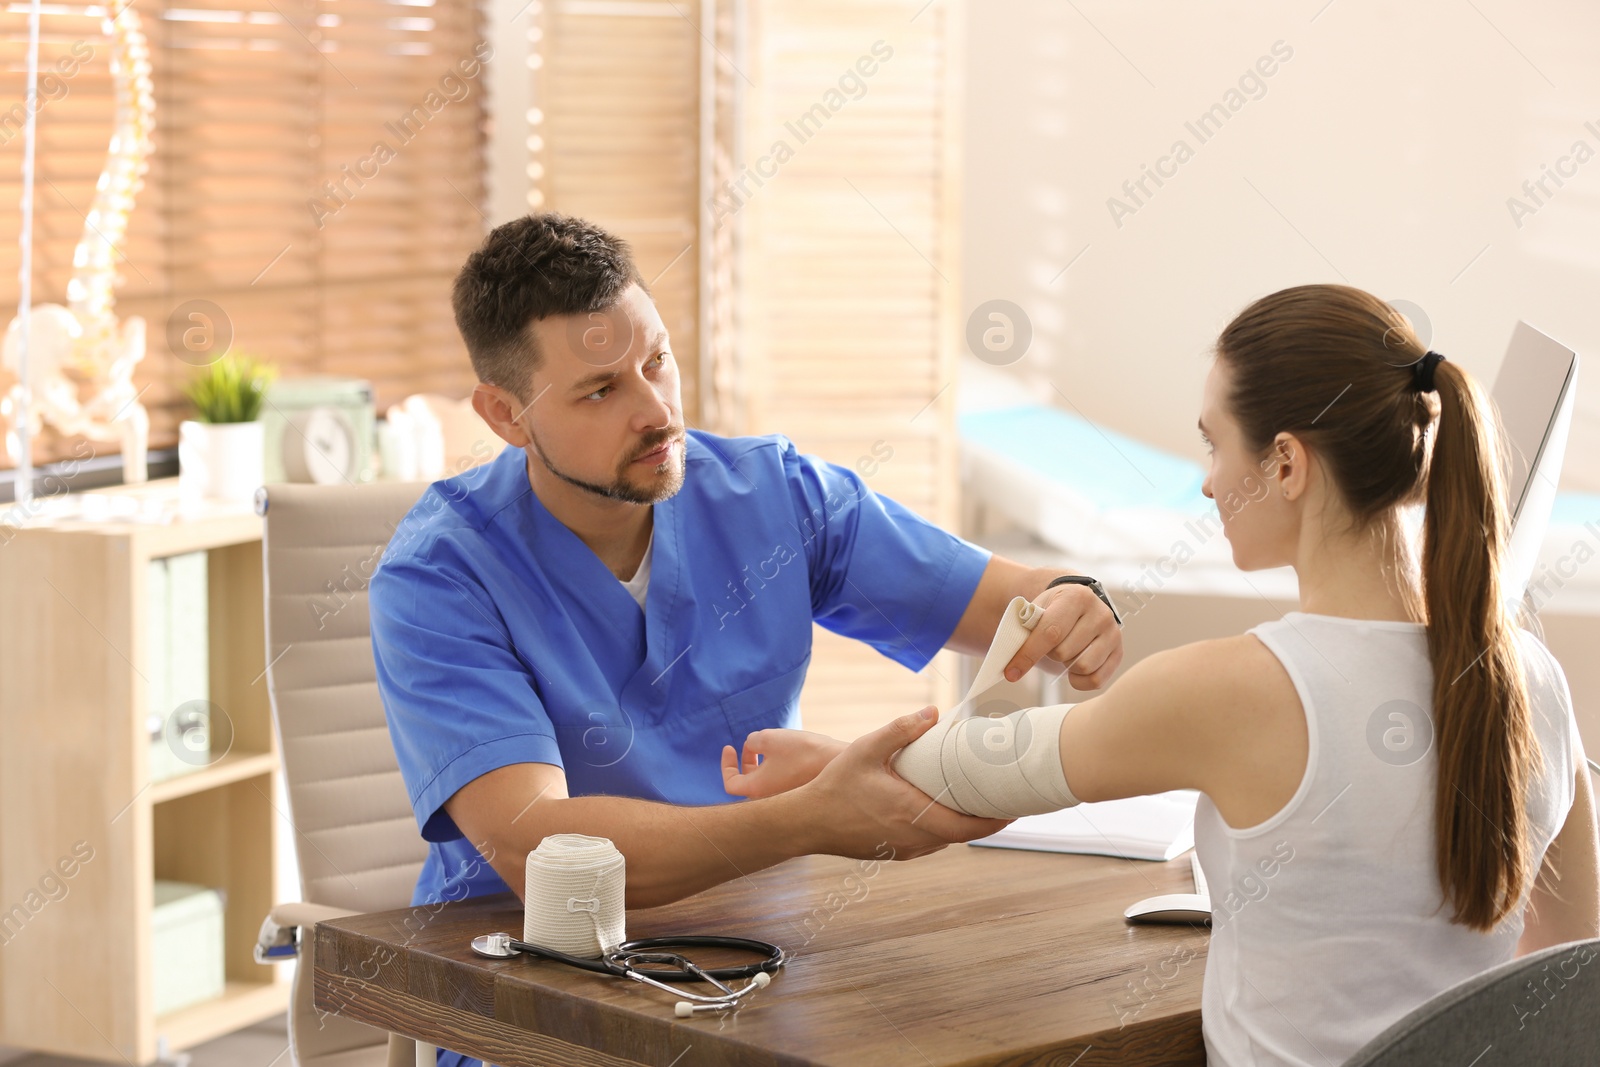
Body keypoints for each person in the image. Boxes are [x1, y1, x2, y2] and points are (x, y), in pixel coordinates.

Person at [726, 284, 1600, 1067]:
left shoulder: (1235, 689)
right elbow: (1574, 963)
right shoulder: (1533, 680)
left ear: (1288, 464)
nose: (1210, 484)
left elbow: (967, 772)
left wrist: (827, 769)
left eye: (1214, 447)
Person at [368, 213, 1124, 1066]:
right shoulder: (439, 576)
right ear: (506, 415)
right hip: (534, 1002)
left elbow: (1008, 601)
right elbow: (540, 846)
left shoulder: (773, 495)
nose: (656, 410)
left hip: (753, 967)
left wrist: (1070, 599)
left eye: (657, 360)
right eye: (600, 390)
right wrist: (809, 820)